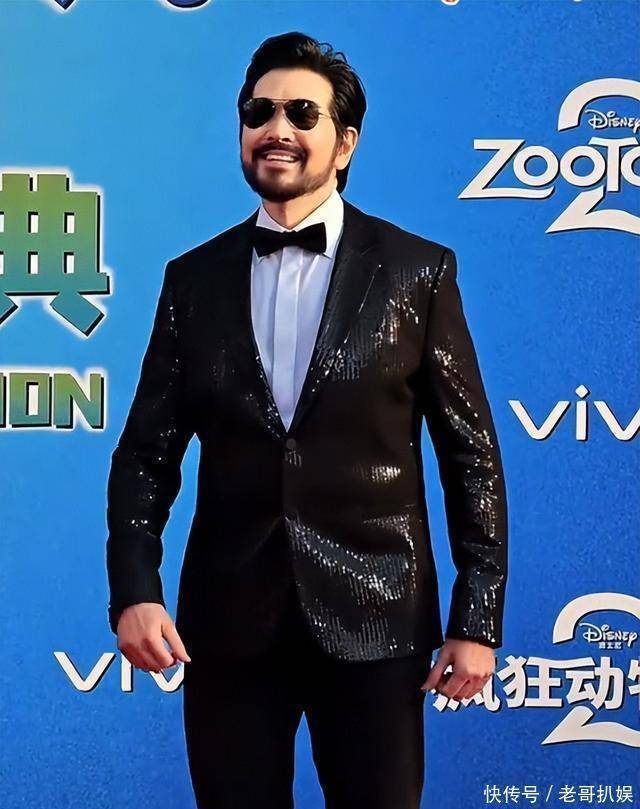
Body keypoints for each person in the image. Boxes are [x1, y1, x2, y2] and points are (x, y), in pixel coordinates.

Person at [106, 31, 508, 809]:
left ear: (345, 142)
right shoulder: (193, 280)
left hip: (377, 617)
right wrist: (134, 590)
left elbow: (472, 457)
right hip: (228, 622)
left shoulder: (416, 272)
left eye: (301, 113)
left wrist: (477, 616)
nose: (276, 129)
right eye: (258, 112)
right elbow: (146, 455)